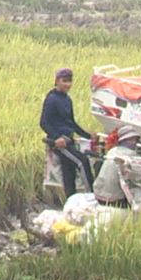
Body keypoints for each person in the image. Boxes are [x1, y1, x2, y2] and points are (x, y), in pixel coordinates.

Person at [40, 67, 95, 197]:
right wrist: (56, 138)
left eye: (70, 81)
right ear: (57, 81)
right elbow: (44, 122)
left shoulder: (67, 99)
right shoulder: (51, 99)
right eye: (64, 81)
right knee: (82, 162)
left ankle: (71, 200)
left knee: (69, 172)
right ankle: (92, 195)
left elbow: (72, 123)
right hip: (59, 143)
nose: (68, 84)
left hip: (68, 140)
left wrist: (88, 136)